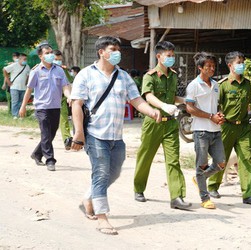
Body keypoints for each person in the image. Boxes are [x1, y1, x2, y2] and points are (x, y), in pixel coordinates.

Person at [70, 36, 161, 235]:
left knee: (115, 172)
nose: (117, 52)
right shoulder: (85, 75)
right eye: (113, 48)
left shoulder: (124, 76)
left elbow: (136, 100)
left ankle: (89, 197)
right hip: (94, 134)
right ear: (101, 52)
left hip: (116, 137)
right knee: (101, 174)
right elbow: (76, 104)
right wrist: (78, 133)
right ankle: (102, 218)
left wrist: (151, 111)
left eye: (118, 49)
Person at [134, 41, 191, 210]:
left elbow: (172, 97)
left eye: (173, 55)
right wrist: (163, 106)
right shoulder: (149, 76)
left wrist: (185, 101)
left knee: (173, 160)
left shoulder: (173, 75)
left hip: (171, 125)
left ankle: (177, 197)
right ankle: (138, 189)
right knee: (145, 157)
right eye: (169, 55)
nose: (171, 58)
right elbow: (148, 96)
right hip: (153, 123)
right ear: (159, 56)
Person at [207, 51, 251, 205]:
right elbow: (216, 105)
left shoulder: (247, 84)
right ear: (230, 65)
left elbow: (249, 103)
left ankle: (249, 194)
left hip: (244, 127)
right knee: (221, 158)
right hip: (227, 127)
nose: (242, 65)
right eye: (239, 62)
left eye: (242, 62)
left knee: (246, 159)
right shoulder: (222, 85)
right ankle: (212, 186)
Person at [19, 44, 71, 171]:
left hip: (55, 106)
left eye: (51, 52)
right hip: (41, 107)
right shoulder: (36, 71)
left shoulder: (59, 70)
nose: (50, 55)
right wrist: (23, 106)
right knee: (46, 133)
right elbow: (29, 89)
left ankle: (37, 154)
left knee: (51, 133)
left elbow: (65, 86)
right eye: (47, 53)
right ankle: (50, 159)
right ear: (40, 56)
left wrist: (69, 96)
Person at [185, 52, 226, 209]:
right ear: (200, 68)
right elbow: (189, 108)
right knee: (202, 164)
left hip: (216, 130)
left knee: (221, 163)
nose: (211, 69)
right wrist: (210, 116)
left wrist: (219, 115)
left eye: (213, 66)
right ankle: (205, 198)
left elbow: (216, 106)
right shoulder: (193, 86)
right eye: (208, 66)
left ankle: (199, 179)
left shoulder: (216, 85)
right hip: (201, 131)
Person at [53, 50, 74, 149]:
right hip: (48, 100)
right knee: (49, 123)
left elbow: (69, 82)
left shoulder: (63, 70)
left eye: (60, 60)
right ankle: (45, 142)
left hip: (62, 98)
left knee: (64, 119)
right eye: (56, 60)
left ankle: (67, 139)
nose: (58, 62)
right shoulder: (42, 69)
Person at [3, 53, 30, 119]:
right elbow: (4, 69)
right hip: (14, 87)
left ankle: (21, 115)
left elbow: (28, 75)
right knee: (15, 102)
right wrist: (7, 80)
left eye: (26, 59)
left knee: (21, 102)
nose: (25, 60)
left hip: (23, 88)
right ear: (20, 59)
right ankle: (15, 115)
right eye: (24, 59)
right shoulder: (14, 65)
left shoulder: (27, 66)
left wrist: (27, 82)